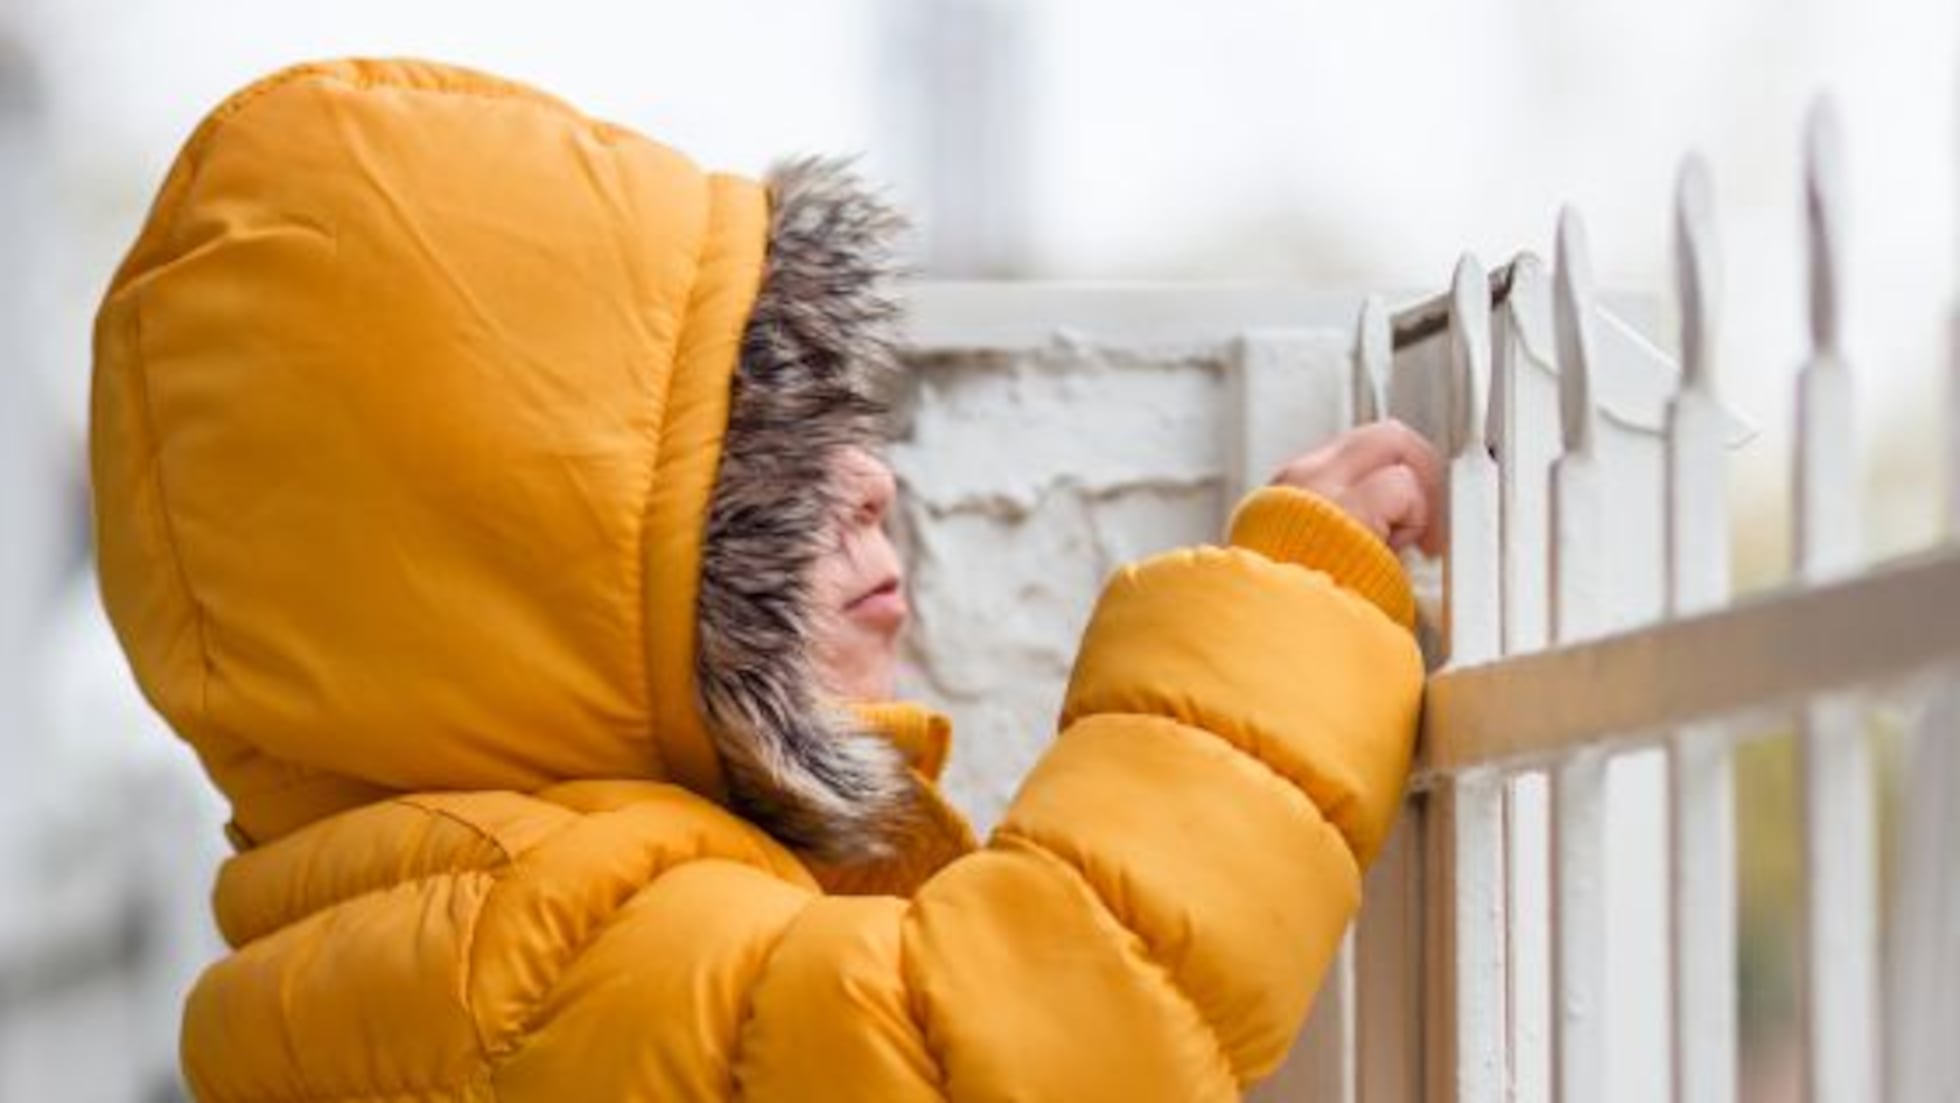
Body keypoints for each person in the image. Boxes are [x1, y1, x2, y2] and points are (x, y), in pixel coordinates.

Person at [92, 58, 1439, 1101]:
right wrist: (1280, 614)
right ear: (502, 585)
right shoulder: (521, 946)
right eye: (760, 455)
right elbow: (1027, 1043)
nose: (871, 481)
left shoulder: (444, 920)